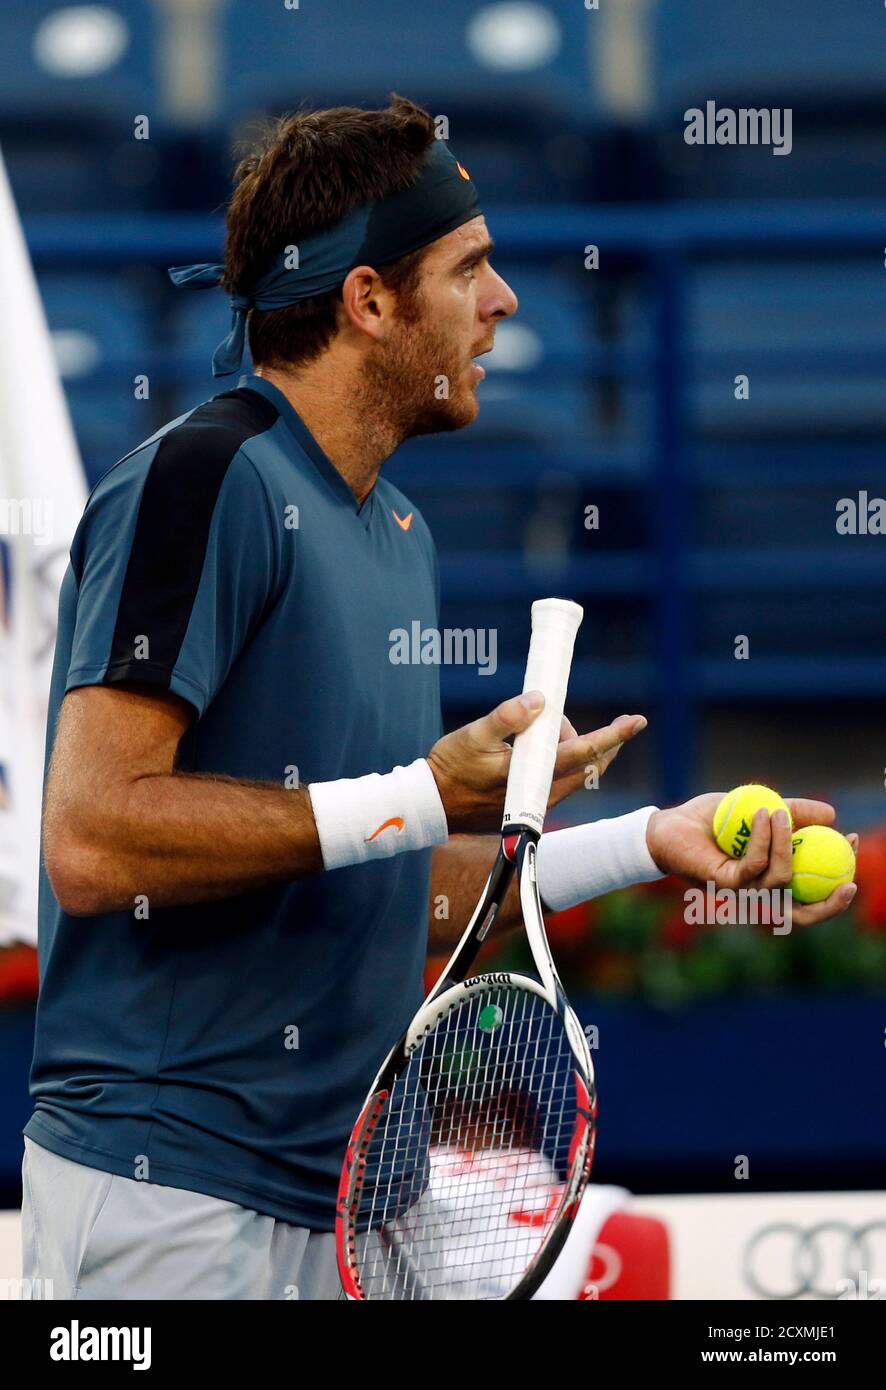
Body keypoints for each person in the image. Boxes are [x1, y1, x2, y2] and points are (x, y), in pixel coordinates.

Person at [22, 96, 855, 1301]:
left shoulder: (397, 531)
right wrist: (418, 790)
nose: (503, 301)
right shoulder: (205, 481)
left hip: (351, 1197)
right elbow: (93, 841)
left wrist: (645, 844)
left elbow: (387, 892)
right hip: (170, 1198)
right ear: (367, 300)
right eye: (469, 268)